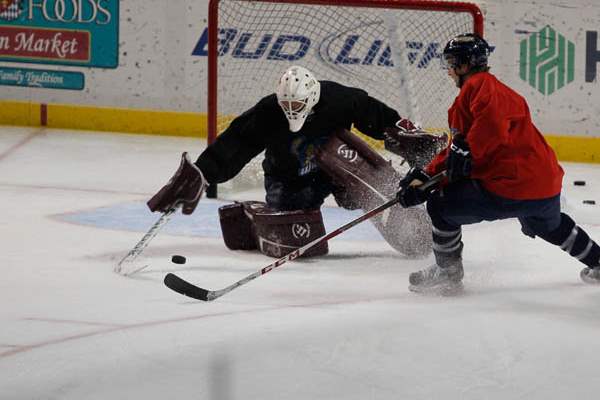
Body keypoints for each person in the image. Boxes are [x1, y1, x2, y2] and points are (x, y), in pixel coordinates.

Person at [147, 65, 446, 257]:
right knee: (302, 245)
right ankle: (253, 217)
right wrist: (202, 173)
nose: (291, 110)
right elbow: (237, 141)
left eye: (298, 104)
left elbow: (380, 120)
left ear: (313, 97)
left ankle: (411, 222)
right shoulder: (267, 112)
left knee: (353, 162)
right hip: (289, 180)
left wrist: (415, 144)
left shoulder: (340, 99)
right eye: (286, 104)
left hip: (338, 169)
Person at [396, 33, 600, 294]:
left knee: (440, 205)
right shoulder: (492, 92)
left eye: (451, 63)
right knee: (549, 224)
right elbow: (462, 148)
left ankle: (448, 272)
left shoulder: (479, 86)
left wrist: (456, 159)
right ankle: (597, 260)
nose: (448, 71)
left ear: (465, 64)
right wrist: (427, 174)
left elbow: (479, 138)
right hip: (544, 184)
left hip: (510, 185)